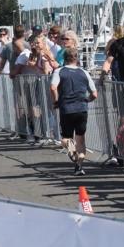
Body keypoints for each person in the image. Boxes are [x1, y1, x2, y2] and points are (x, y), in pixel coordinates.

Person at [50, 47, 98, 175]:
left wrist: (56, 101)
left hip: (66, 108)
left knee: (66, 138)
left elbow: (53, 87)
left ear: (64, 58)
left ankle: (72, 152)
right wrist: (87, 100)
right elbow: (94, 93)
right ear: (77, 58)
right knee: (81, 138)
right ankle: (79, 166)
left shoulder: (59, 71)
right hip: (82, 108)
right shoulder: (84, 72)